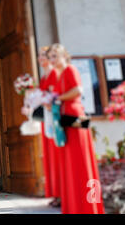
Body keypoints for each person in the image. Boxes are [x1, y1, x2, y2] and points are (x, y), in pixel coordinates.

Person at [47, 44, 104, 214]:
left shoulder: (70, 69)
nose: (52, 60)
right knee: (69, 165)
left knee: (81, 163)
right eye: (51, 57)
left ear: (65, 55)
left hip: (75, 119)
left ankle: (88, 207)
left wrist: (58, 98)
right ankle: (74, 206)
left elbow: (78, 90)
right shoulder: (58, 76)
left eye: (55, 55)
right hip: (64, 122)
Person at [37, 47, 60, 207]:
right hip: (46, 117)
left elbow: (54, 95)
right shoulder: (43, 76)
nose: (40, 58)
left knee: (56, 154)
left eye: (43, 55)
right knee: (49, 156)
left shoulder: (53, 74)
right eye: (39, 56)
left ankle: (61, 193)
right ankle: (55, 193)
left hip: (53, 117)